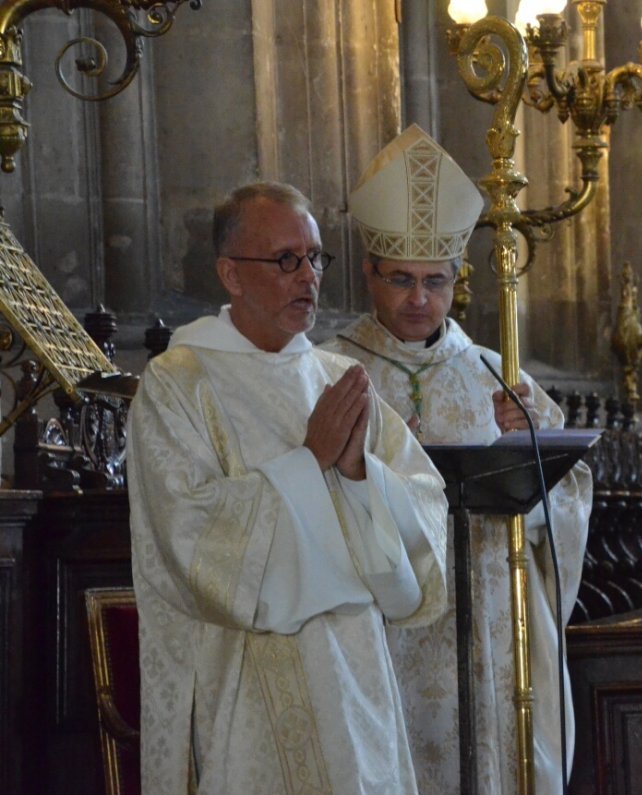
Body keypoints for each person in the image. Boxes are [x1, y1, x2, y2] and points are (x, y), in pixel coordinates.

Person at [128, 181, 450, 793]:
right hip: (247, 691)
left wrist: (360, 475)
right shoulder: (178, 384)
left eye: (315, 258)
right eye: (285, 260)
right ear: (231, 274)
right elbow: (190, 538)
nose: (308, 277)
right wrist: (310, 461)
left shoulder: (337, 378)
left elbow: (422, 508)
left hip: (357, 684)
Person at [323, 125, 594, 793]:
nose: (419, 298)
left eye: (435, 281)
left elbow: (568, 498)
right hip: (384, 628)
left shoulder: (496, 376)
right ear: (370, 274)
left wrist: (529, 449)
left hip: (487, 626)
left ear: (456, 279)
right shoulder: (331, 372)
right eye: (402, 280)